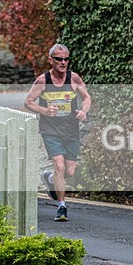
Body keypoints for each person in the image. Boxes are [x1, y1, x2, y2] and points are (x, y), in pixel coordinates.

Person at [24, 43, 91, 222]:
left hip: (71, 131)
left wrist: (84, 111)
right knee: (59, 165)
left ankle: (50, 177)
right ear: (50, 60)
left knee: (69, 171)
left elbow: (86, 97)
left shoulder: (74, 78)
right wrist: (44, 111)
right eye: (59, 59)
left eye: (66, 59)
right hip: (50, 130)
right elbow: (28, 102)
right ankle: (62, 207)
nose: (63, 62)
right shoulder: (42, 81)